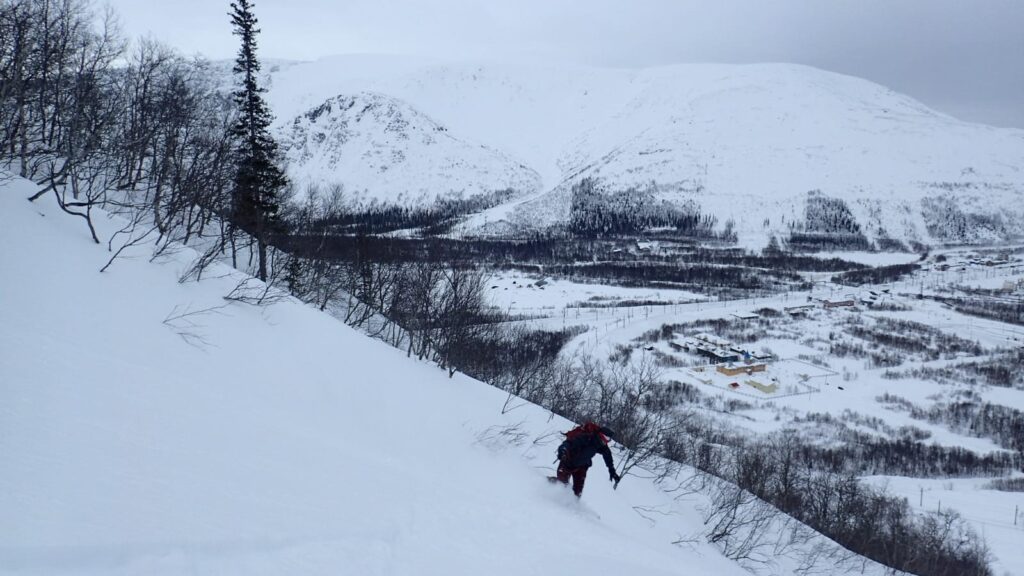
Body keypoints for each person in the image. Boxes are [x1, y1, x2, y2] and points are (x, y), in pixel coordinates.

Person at [552, 421, 620, 497]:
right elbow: (570, 443)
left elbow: (608, 457)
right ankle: (546, 487)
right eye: (607, 438)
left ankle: (571, 505)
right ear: (601, 434)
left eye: (609, 439)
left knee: (577, 493)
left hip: (582, 466)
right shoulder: (587, 437)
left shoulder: (601, 445)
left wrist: (612, 471)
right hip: (568, 461)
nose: (607, 440)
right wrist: (563, 449)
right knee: (560, 485)